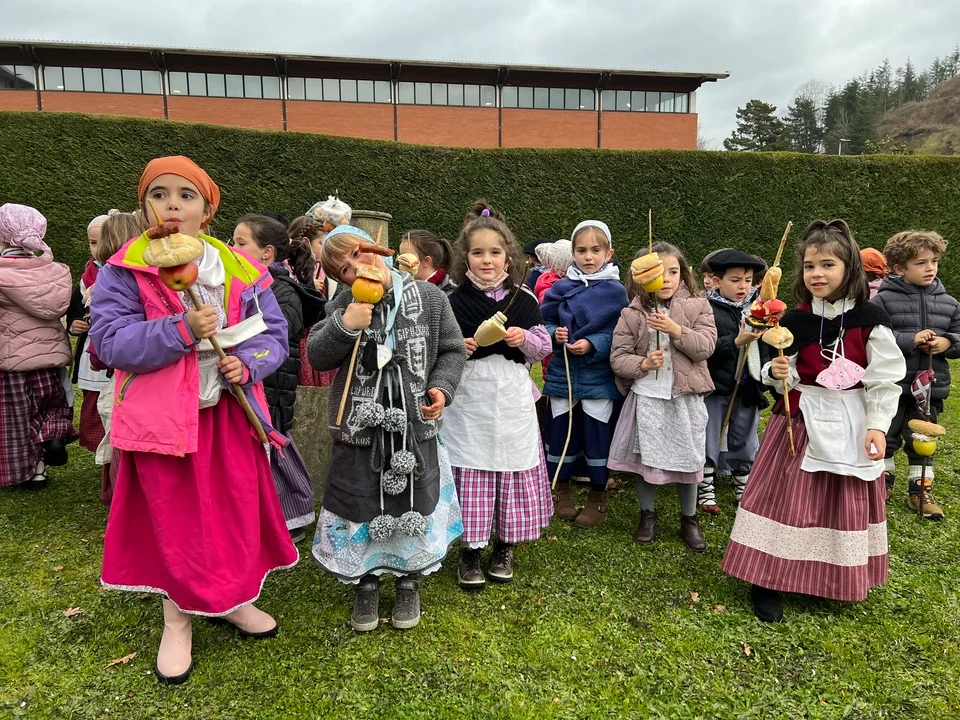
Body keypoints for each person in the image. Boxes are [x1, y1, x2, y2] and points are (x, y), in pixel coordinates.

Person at [89, 156, 298, 684]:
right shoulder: (124, 270)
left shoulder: (240, 269)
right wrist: (181, 329)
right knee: (177, 519)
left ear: (207, 211)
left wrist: (248, 363)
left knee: (232, 511)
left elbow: (274, 335)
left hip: (230, 411)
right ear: (145, 208)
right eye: (159, 195)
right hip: (164, 421)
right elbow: (108, 342)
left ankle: (231, 598)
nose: (172, 205)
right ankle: (177, 619)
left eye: (186, 195)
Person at [722, 219, 905, 623]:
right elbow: (774, 369)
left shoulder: (870, 319)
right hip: (799, 420)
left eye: (827, 265)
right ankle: (767, 578)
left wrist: (877, 425)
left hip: (852, 420)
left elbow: (885, 379)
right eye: (809, 266)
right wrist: (776, 373)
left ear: (849, 268)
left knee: (839, 501)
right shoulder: (794, 319)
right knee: (783, 498)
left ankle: (829, 575)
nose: (816, 274)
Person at [307, 225, 466, 631]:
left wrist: (441, 388)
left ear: (379, 249)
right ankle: (367, 580)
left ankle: (409, 578)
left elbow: (451, 350)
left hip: (414, 425)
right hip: (361, 429)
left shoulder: (429, 297)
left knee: (413, 499)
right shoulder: (344, 303)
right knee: (362, 501)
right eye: (343, 270)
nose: (355, 269)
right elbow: (318, 356)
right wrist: (345, 325)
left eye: (358, 254)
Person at [443, 201, 553, 590]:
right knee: (471, 465)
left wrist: (525, 339)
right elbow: (439, 347)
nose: (486, 260)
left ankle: (505, 546)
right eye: (478, 253)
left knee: (511, 465)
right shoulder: (452, 301)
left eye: (494, 252)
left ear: (508, 255)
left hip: (510, 397)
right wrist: (458, 347)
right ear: (465, 258)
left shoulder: (524, 299)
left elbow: (543, 346)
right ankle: (470, 551)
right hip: (469, 398)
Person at [608, 243, 717, 550]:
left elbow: (706, 347)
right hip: (648, 397)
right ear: (643, 276)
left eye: (673, 271)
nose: (666, 279)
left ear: (683, 274)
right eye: (658, 273)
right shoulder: (632, 312)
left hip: (684, 398)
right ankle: (647, 515)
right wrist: (642, 364)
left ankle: (689, 519)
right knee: (647, 459)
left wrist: (676, 330)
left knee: (689, 460)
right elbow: (618, 357)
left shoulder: (699, 305)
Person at [233, 213, 327, 541]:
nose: (232, 249)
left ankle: (290, 519)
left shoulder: (281, 290)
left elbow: (277, 337)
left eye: (241, 243)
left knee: (273, 452)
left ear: (267, 252)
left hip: (272, 384)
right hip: (253, 380)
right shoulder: (242, 283)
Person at [541, 221, 628, 527]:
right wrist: (555, 334)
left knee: (596, 433)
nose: (588, 257)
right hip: (562, 374)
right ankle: (560, 489)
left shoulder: (617, 292)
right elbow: (544, 322)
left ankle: (597, 493)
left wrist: (593, 343)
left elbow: (620, 332)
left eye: (595, 250)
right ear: (573, 254)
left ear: (608, 253)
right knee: (561, 431)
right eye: (581, 250)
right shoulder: (560, 287)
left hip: (597, 377)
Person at [872, 230, 960, 517]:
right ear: (900, 268)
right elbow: (873, 336)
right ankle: (880, 485)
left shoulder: (950, 303)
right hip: (893, 385)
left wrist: (947, 342)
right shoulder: (882, 301)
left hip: (929, 389)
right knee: (888, 436)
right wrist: (909, 339)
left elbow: (959, 335)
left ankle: (920, 489)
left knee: (922, 441)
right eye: (921, 263)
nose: (930, 268)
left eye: (934, 261)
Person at [0, 203, 77, 489]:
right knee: (49, 404)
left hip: (12, 360)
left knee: (17, 417)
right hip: (50, 357)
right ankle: (52, 436)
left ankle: (34, 472)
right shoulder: (55, 271)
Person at [73, 211, 149, 504]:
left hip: (121, 367)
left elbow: (107, 335)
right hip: (128, 366)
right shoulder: (109, 275)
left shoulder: (111, 276)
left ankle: (122, 490)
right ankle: (125, 490)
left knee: (119, 428)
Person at [698, 249, 770, 514]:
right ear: (717, 281)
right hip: (716, 385)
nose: (743, 286)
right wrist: (736, 341)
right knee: (709, 434)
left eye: (748, 280)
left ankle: (743, 484)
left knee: (745, 434)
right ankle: (705, 485)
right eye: (735, 280)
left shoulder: (759, 309)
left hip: (748, 384)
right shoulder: (706, 309)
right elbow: (704, 349)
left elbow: (767, 348)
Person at [67, 211, 120, 461]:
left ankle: (116, 453)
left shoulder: (124, 271)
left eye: (103, 241)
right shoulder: (87, 276)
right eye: (92, 242)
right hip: (92, 349)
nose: (98, 248)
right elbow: (76, 309)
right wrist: (75, 324)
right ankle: (100, 453)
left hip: (114, 346)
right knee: (94, 400)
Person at [399, 229, 457, 294]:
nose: (401, 261)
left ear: (426, 261)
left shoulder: (449, 294)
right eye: (400, 256)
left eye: (407, 256)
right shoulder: (400, 289)